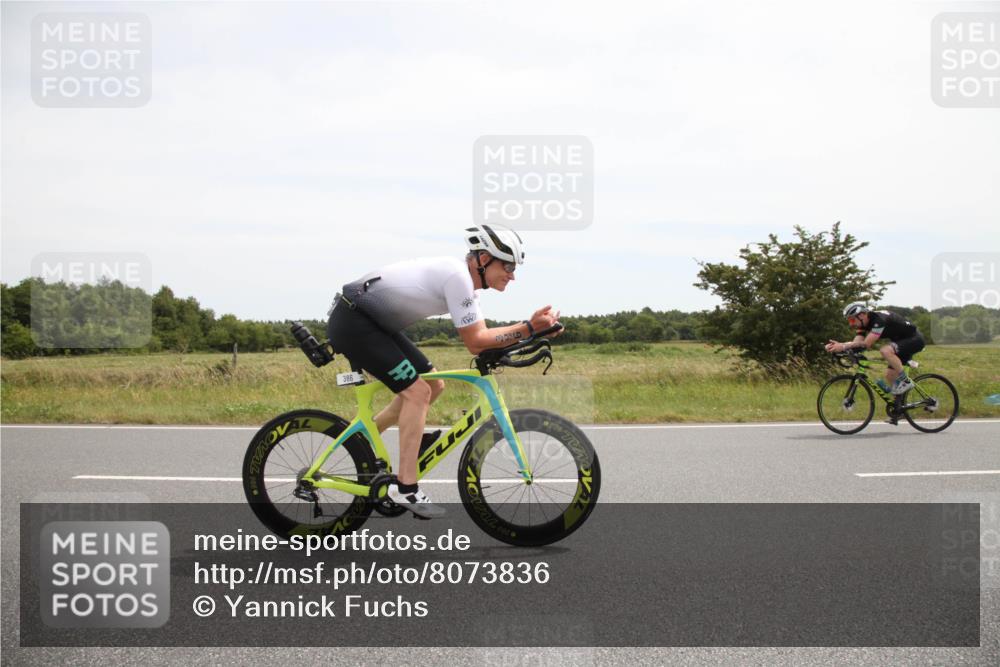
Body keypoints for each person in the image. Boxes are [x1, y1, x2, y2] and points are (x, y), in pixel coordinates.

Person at [325, 224, 561, 518]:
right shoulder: (457, 277)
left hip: (370, 322)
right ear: (484, 258)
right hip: (355, 323)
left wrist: (533, 334)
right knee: (418, 392)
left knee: (434, 386)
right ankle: (406, 487)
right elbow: (476, 343)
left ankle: (364, 439)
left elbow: (484, 339)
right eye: (508, 266)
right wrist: (528, 327)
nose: (512, 275)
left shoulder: (467, 288)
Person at [825, 302, 926, 398]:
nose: (851, 324)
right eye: (849, 321)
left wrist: (843, 346)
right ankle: (899, 406)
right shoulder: (863, 324)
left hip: (915, 339)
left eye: (852, 320)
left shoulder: (878, 321)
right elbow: (856, 343)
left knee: (885, 351)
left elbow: (866, 344)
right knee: (890, 375)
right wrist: (837, 347)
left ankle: (906, 381)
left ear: (862, 315)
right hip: (900, 342)